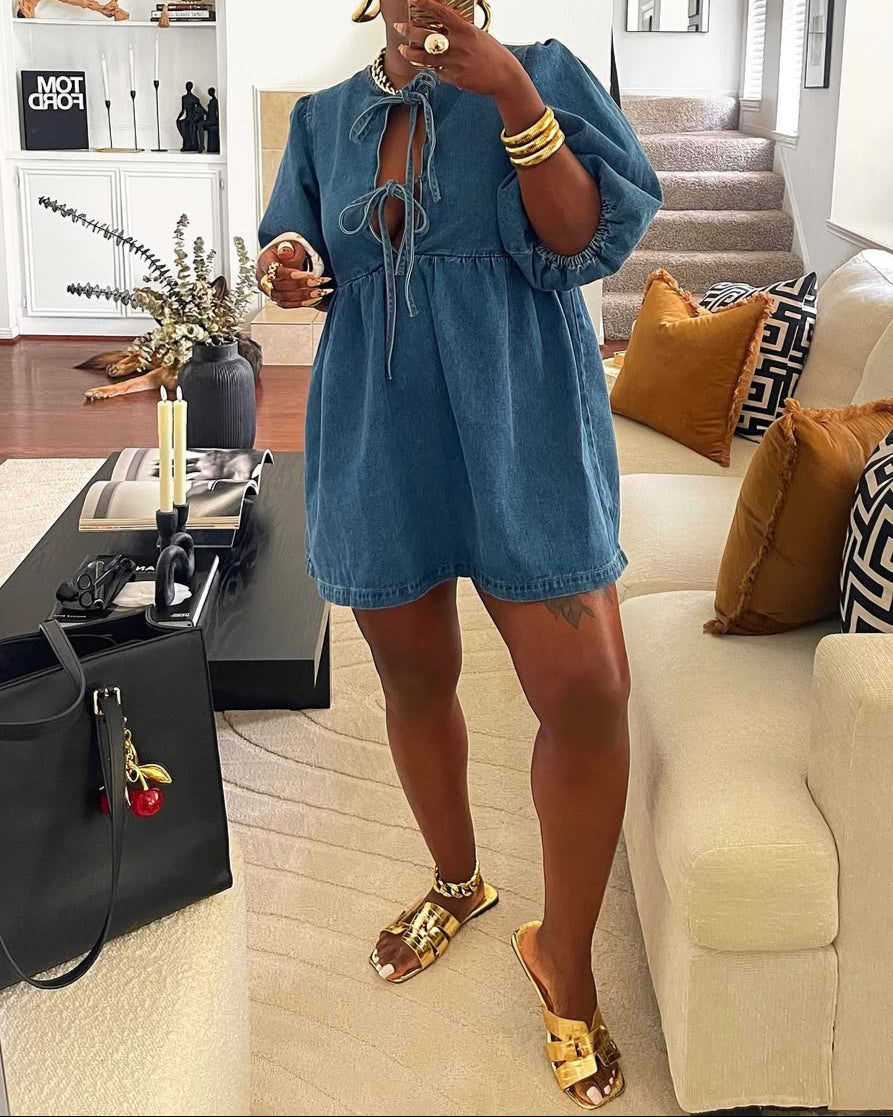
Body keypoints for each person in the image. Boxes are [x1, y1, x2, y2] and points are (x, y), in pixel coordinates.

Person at [256, 1, 661, 1108]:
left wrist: (510, 94)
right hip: (380, 425)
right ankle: (455, 879)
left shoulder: (544, 71)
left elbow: (580, 240)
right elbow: (295, 248)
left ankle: (563, 954)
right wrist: (287, 267)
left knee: (588, 691)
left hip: (524, 417)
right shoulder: (321, 118)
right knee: (413, 674)